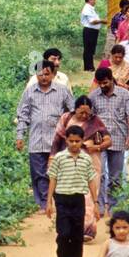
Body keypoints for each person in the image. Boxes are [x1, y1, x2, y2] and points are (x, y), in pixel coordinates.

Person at [48, 96, 111, 239]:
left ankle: (88, 229)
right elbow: (57, 139)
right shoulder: (65, 118)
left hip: (90, 161)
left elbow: (108, 140)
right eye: (81, 112)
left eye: (87, 113)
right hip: (67, 161)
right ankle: (71, 228)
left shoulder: (96, 121)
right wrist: (52, 158)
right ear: (74, 109)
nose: (84, 116)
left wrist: (96, 146)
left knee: (88, 196)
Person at [15, 63, 74, 213]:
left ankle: (59, 201)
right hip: (36, 140)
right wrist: (20, 136)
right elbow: (23, 115)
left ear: (53, 74)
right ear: (36, 75)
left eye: (47, 74)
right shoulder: (29, 92)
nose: (43, 77)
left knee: (59, 172)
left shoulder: (62, 91)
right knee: (38, 173)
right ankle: (43, 203)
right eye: (40, 74)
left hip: (57, 141)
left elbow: (73, 111)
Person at [46, 125, 100, 257]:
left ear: (82, 141)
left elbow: (91, 181)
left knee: (77, 236)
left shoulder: (86, 159)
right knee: (63, 234)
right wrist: (49, 202)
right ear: (66, 140)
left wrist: (96, 203)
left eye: (77, 141)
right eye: (71, 141)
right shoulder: (59, 157)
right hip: (62, 199)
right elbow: (53, 179)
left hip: (78, 200)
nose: (74, 144)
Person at [88, 67, 129, 213]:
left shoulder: (125, 95)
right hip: (100, 141)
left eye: (105, 83)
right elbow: (90, 118)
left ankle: (114, 205)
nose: (102, 86)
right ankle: (101, 206)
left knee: (116, 177)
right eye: (100, 83)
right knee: (100, 174)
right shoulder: (93, 96)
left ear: (111, 79)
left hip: (118, 139)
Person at [80, 0, 103, 72]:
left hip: (93, 31)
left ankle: (90, 66)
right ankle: (88, 67)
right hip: (89, 30)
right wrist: (103, 21)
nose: (95, 1)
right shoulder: (87, 8)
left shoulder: (91, 8)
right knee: (88, 49)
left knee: (91, 49)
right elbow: (92, 21)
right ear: (89, 0)